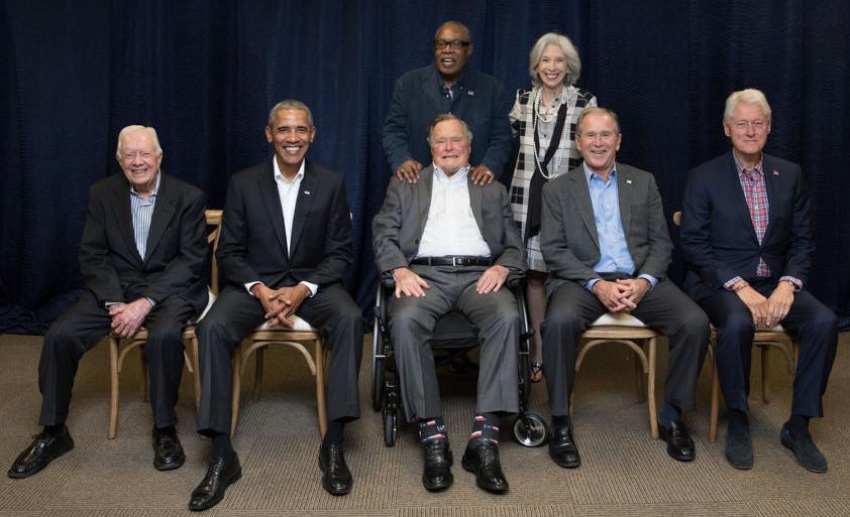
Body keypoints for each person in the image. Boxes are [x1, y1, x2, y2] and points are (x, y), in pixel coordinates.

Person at [189, 100, 363, 511]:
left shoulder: (331, 183)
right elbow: (228, 251)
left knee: (351, 318)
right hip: (255, 286)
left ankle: (334, 444)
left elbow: (340, 254)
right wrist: (260, 290)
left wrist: (303, 288)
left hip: (312, 285)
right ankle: (220, 455)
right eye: (284, 130)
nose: (292, 138)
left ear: (313, 135)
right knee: (211, 327)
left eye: (300, 130)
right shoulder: (243, 183)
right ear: (269, 134)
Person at [8, 126, 208, 479]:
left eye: (145, 153)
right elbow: (92, 254)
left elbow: (190, 262)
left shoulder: (188, 196)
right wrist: (116, 302)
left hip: (169, 290)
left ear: (159, 157)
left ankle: (164, 429)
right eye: (129, 155)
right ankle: (53, 431)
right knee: (60, 335)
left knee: (163, 336)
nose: (138, 161)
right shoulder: (102, 194)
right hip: (116, 288)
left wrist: (146, 302)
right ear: (119, 160)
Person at [540, 108, 710, 469]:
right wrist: (596, 283)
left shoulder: (643, 181)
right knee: (558, 322)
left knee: (694, 321)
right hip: (582, 280)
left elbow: (661, 243)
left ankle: (672, 415)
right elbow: (553, 251)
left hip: (638, 278)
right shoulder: (557, 189)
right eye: (590, 135)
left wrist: (645, 281)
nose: (598, 142)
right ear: (578, 142)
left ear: (618, 141)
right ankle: (559, 421)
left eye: (606, 135)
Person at [680, 88, 838, 473]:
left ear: (768, 127)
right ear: (727, 128)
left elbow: (803, 241)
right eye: (741, 124)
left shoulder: (790, 173)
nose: (749, 131)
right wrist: (739, 286)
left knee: (824, 321)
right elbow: (693, 244)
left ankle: (798, 425)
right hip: (721, 283)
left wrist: (789, 284)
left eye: (757, 123)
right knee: (735, 323)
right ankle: (737, 418)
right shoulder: (704, 176)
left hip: (776, 282)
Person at [373, 114, 525, 494]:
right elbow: (384, 235)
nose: (449, 147)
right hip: (425, 276)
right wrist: (398, 271)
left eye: (456, 140)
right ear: (430, 147)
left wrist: (504, 267)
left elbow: (514, 244)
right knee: (405, 321)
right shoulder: (405, 184)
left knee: (507, 316)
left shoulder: (491, 188)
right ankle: (432, 435)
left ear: (469, 146)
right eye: (441, 141)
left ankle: (484, 439)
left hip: (480, 276)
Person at [509, 32, 597, 382]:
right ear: (536, 65)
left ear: (569, 66)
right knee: (533, 276)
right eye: (546, 60)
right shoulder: (522, 99)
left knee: (563, 274)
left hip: (567, 200)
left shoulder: (584, 102)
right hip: (526, 197)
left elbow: (592, 149)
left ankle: (562, 352)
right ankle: (538, 354)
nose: (552, 67)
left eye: (559, 60)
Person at [382, 20, 512, 185]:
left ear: (469, 50)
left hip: (473, 188)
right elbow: (393, 131)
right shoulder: (408, 84)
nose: (447, 50)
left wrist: (490, 166)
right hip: (419, 187)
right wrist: (402, 160)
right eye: (441, 44)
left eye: (456, 44)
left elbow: (501, 137)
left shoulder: (491, 89)